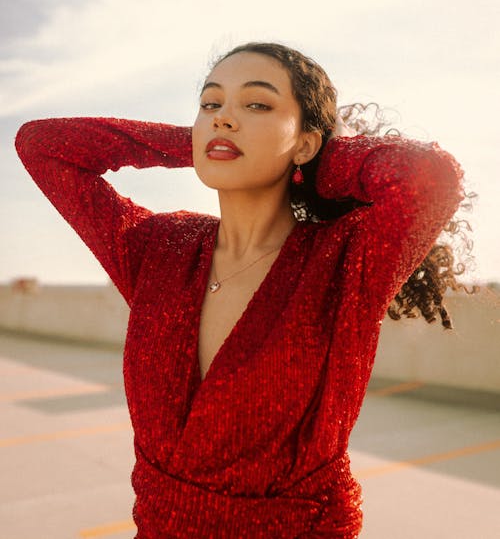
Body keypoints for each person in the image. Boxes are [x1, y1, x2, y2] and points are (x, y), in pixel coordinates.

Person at [15, 42, 466, 538]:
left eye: (257, 105)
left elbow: (430, 179)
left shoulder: (343, 263)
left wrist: (312, 161)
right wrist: (192, 142)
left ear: (307, 141)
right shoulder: (158, 250)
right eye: (211, 105)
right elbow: (42, 143)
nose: (223, 120)